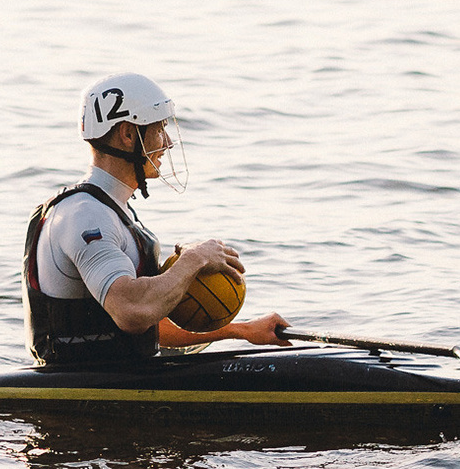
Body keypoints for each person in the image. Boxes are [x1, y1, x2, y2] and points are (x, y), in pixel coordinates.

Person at [22, 73, 290, 366]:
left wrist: (242, 331)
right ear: (127, 134)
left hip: (122, 378)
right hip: (81, 385)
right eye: (160, 128)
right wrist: (194, 259)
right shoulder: (85, 215)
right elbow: (130, 312)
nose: (169, 142)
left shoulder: (111, 209)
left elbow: (151, 325)